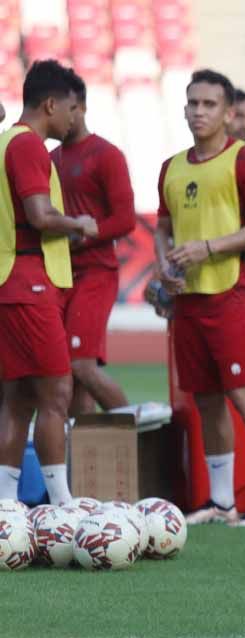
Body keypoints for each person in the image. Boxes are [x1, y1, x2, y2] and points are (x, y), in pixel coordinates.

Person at [154, 69, 245, 527]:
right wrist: (163, 266)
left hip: (232, 291)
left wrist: (209, 247)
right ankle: (221, 501)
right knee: (206, 400)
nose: (198, 112)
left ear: (229, 113)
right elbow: (163, 227)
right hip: (188, 298)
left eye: (209, 104)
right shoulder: (171, 166)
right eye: (193, 103)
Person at [0, 60, 98, 504]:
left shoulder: (5, 143)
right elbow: (40, 217)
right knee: (58, 392)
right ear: (51, 104)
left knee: (18, 399)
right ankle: (63, 505)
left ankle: (5, 507)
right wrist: (78, 223)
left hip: (12, 282)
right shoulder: (28, 146)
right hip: (29, 283)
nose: (74, 119)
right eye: (72, 109)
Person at [51, 70, 133, 417]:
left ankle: (137, 438)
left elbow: (125, 219)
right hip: (59, 274)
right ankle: (78, 465)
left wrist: (81, 236)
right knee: (70, 378)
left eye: (68, 107)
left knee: (80, 366)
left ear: (81, 106)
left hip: (95, 273)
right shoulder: (50, 158)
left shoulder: (106, 155)